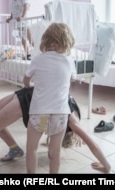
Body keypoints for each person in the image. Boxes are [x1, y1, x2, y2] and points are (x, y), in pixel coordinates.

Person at [0, 87, 111, 175]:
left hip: (33, 99)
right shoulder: (70, 119)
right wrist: (107, 166)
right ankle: (14, 149)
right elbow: (92, 144)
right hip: (32, 94)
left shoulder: (71, 121)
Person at [23, 23, 76, 173]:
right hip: (60, 112)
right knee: (55, 152)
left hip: (39, 111)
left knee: (31, 149)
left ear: (45, 40)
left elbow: (26, 81)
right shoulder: (69, 61)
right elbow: (71, 79)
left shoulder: (38, 59)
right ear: (67, 41)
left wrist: (32, 84)